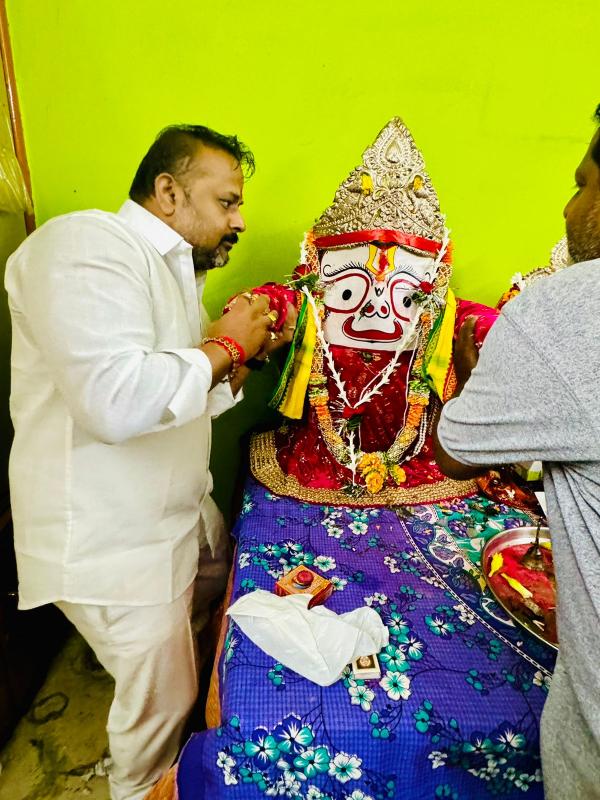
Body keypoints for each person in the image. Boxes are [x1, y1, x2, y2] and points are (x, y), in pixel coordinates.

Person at [4, 124, 295, 800]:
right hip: (113, 538)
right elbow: (115, 402)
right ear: (168, 191)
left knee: (215, 618)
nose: (240, 220)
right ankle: (138, 789)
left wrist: (242, 356)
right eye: (226, 202)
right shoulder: (85, 245)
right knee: (163, 703)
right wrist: (224, 347)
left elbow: (174, 395)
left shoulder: (167, 268)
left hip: (176, 515)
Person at [435, 106, 600, 799]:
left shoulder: (564, 306)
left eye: (582, 182)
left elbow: (454, 453)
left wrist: (470, 379)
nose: (570, 204)